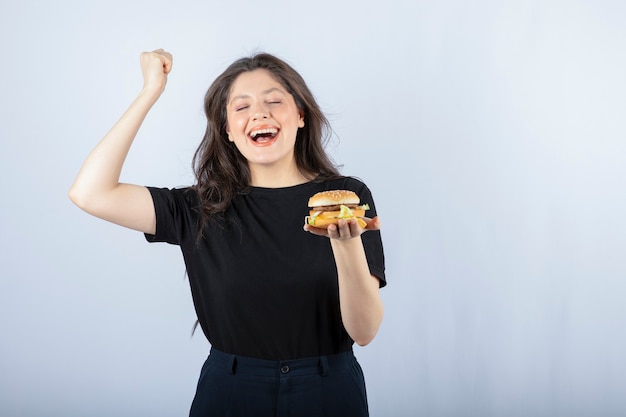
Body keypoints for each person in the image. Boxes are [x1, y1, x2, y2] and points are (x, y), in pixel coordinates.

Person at [69, 48, 386, 417]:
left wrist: (346, 243)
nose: (259, 113)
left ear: (300, 115)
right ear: (228, 131)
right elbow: (90, 192)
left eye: (274, 101)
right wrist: (150, 90)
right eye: (241, 107)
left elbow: (364, 332)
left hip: (328, 389)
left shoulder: (345, 199)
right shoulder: (198, 207)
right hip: (232, 390)